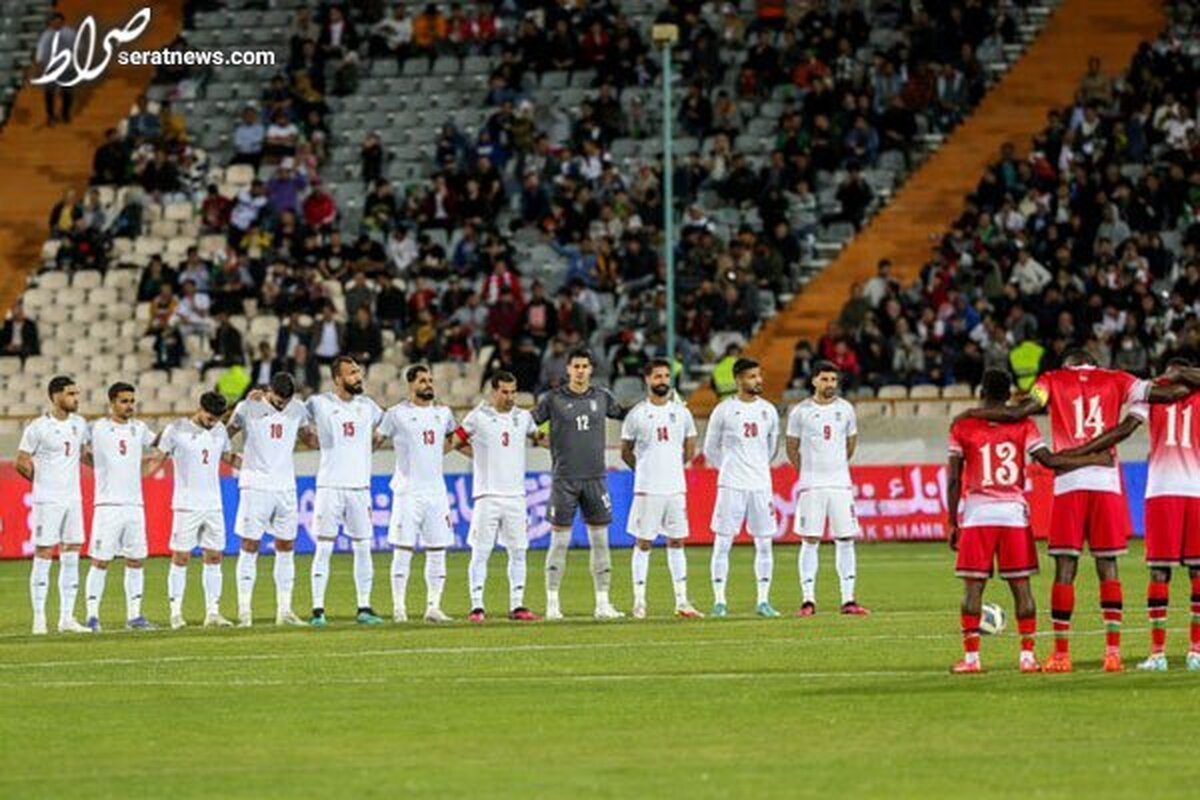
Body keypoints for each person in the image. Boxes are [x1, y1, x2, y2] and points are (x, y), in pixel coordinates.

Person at [959, 349, 1189, 671]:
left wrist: (970, 412)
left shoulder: (1051, 380)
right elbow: (1166, 394)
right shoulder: (1118, 379)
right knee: (1108, 566)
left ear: (1067, 363)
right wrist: (1182, 376)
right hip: (1106, 482)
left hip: (1068, 483)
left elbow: (1021, 411)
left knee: (1065, 569)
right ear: (1094, 363)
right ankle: (1112, 654)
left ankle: (1062, 654)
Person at [947, 369, 1113, 673]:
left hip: (978, 514)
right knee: (1022, 588)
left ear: (981, 391)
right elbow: (1050, 461)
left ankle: (972, 660)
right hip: (1013, 514)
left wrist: (951, 522)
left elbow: (954, 479)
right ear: (1009, 393)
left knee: (973, 590)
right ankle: (1028, 657)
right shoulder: (1024, 424)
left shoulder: (963, 425)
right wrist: (1092, 458)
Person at [1086, 358, 1200, 671]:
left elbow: (1125, 429)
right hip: (1196, 490)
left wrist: (1090, 448)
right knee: (1197, 573)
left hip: (1163, 490)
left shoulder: (1153, 395)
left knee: (1159, 571)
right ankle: (1196, 652)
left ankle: (1159, 654)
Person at [532, 348, 627, 620]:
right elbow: (529, 423)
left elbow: (622, 414)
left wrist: (655, 403)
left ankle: (602, 603)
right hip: (565, 479)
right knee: (559, 541)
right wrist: (538, 439)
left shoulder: (602, 396)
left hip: (596, 478)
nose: (581, 371)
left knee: (600, 541)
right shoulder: (553, 399)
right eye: (576, 366)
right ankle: (552, 603)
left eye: (585, 366)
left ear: (591, 369)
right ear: (568, 369)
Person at [147, 392, 241, 630]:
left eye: (217, 418)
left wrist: (256, 465)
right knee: (181, 557)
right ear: (200, 409)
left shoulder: (219, 430)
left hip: (213, 505)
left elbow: (227, 457)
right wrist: (134, 476)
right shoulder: (176, 429)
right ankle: (176, 614)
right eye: (210, 417)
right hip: (186, 505)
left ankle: (213, 612)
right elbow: (157, 459)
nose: (213, 422)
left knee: (215, 557)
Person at [225, 373, 312, 627]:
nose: (281, 405)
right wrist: (230, 459)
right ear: (268, 390)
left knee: (286, 547)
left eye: (285, 401)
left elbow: (308, 437)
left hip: (285, 486)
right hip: (255, 486)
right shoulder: (248, 406)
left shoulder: (297, 409)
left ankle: (284, 610)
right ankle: (244, 612)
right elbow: (223, 435)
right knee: (250, 545)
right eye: (277, 399)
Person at [620, 359, 703, 619]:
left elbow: (690, 446)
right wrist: (646, 470)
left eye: (666, 376)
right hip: (648, 489)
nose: (663, 381)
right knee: (644, 543)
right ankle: (639, 602)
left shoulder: (682, 412)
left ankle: (681, 601)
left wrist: (672, 468)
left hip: (675, 489)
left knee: (677, 541)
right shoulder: (637, 414)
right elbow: (626, 452)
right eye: (658, 376)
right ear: (647, 379)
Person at [305, 356, 385, 626]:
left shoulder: (368, 406)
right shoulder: (320, 403)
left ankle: (364, 606)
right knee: (324, 546)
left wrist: (366, 450)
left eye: (358, 372)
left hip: (360, 488)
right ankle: (318, 610)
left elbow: (384, 430)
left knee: (363, 546)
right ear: (337, 379)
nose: (357, 377)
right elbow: (294, 419)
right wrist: (312, 441)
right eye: (351, 373)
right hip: (330, 486)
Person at [377, 364, 460, 623]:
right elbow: (376, 440)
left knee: (438, 549)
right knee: (403, 549)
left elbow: (452, 441)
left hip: (436, 492)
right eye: (423, 380)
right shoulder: (396, 414)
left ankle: (433, 606)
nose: (428, 385)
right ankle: (399, 607)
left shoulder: (443, 413)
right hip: (407, 492)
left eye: (430, 380)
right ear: (410, 384)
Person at [785, 362, 869, 617]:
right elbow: (791, 447)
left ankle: (848, 599)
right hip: (812, 485)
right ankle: (808, 600)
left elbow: (850, 444)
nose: (830, 384)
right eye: (824, 379)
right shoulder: (801, 412)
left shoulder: (846, 410)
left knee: (845, 539)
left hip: (840, 485)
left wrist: (835, 467)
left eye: (833, 379)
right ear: (814, 381)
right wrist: (808, 473)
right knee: (810, 540)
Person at [460, 371, 542, 623]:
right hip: (487, 496)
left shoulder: (523, 417)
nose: (510, 397)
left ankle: (517, 605)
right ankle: (477, 606)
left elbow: (539, 438)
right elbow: (455, 441)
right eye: (505, 392)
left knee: (518, 551)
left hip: (516, 496)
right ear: (493, 391)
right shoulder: (478, 416)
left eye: (513, 391)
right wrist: (478, 457)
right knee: (481, 551)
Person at [704, 357, 781, 618]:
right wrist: (729, 468)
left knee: (764, 543)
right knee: (723, 541)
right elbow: (710, 448)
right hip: (732, 485)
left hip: (761, 485)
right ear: (738, 380)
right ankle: (719, 601)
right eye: (752, 377)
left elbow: (771, 448)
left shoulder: (769, 410)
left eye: (759, 376)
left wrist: (756, 467)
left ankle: (763, 601)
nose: (758, 381)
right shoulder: (724, 410)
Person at [16, 376, 92, 635]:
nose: (76, 398)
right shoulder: (38, 427)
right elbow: (21, 461)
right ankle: (39, 618)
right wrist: (42, 483)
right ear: (56, 396)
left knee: (72, 552)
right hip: (48, 499)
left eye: (76, 393)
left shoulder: (80, 424)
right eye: (71, 394)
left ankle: (67, 617)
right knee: (45, 552)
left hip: (73, 499)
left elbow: (84, 455)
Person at [84, 383, 158, 632]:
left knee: (136, 560)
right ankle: (92, 616)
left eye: (132, 401)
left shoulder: (140, 429)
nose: (129, 406)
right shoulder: (97, 428)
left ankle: (135, 616)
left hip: (135, 505)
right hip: (107, 505)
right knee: (100, 561)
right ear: (112, 403)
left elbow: (161, 446)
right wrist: (96, 466)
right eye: (124, 401)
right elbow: (78, 448)